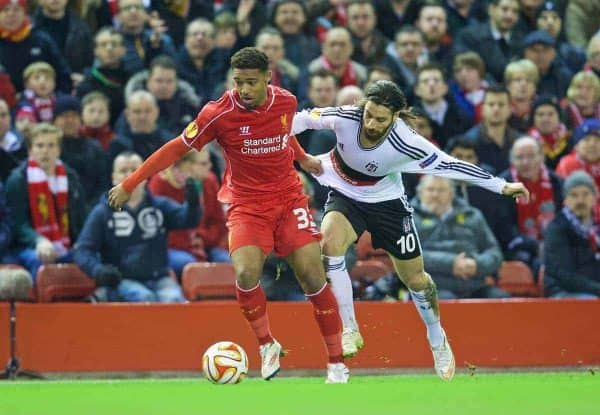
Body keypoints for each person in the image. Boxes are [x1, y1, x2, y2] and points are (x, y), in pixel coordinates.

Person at [107, 47, 348, 383]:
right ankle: (266, 344)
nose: (244, 90)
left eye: (251, 82)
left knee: (311, 274)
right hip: (247, 204)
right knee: (247, 273)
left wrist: (302, 157)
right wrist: (132, 181)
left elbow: (282, 134)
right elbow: (176, 148)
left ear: (268, 78)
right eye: (238, 82)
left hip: (289, 198)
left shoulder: (286, 101)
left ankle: (336, 362)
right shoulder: (218, 113)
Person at [291, 80, 529, 380]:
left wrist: (501, 185)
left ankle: (436, 336)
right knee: (328, 245)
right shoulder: (346, 116)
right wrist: (280, 140)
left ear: (396, 117)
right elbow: (299, 119)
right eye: (369, 114)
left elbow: (452, 165)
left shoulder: (407, 142)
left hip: (388, 205)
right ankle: (350, 328)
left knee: (416, 279)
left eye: (380, 119)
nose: (371, 123)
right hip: (345, 192)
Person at [74, 152, 200, 303]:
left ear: (146, 175)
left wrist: (193, 204)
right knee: (143, 298)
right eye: (123, 171)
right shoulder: (102, 212)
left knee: (173, 299)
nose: (129, 175)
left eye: (135, 169)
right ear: (113, 178)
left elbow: (188, 220)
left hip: (160, 278)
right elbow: (82, 250)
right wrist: (98, 270)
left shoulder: (160, 206)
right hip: (123, 280)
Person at [5, 123, 86, 279]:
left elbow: (81, 217)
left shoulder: (71, 178)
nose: (45, 151)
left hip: (66, 243)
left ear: (59, 150)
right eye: (40, 145)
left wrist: (81, 243)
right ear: (30, 150)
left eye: (51, 145)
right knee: (39, 259)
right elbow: (17, 224)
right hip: (27, 245)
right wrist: (38, 240)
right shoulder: (18, 180)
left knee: (89, 257)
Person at [412, 175, 509, 300]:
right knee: (447, 303)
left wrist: (476, 265)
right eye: (430, 190)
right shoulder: (408, 218)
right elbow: (406, 256)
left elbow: (494, 253)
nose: (435, 195)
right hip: (432, 287)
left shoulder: (472, 215)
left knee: (503, 301)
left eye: (441, 190)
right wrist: (451, 263)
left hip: (474, 284)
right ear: (419, 193)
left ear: (452, 194)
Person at [543, 171, 600, 298]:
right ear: (566, 200)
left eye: (585, 194)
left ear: (595, 197)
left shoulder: (597, 227)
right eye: (574, 195)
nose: (580, 200)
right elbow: (565, 276)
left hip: (594, 289)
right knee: (591, 302)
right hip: (563, 291)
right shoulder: (557, 229)